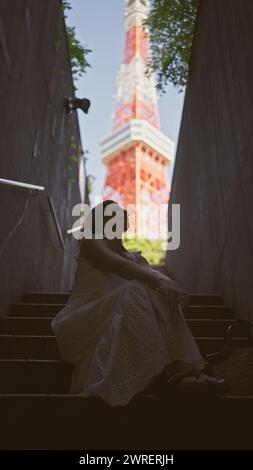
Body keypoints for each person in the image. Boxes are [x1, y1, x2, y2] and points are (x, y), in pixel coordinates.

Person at [51, 200, 229, 407]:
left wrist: (169, 287)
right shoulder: (90, 240)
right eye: (112, 213)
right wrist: (162, 280)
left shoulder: (135, 258)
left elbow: (151, 275)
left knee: (156, 290)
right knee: (139, 286)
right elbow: (121, 266)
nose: (121, 216)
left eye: (122, 214)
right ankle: (166, 374)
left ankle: (188, 370)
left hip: (117, 315)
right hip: (86, 319)